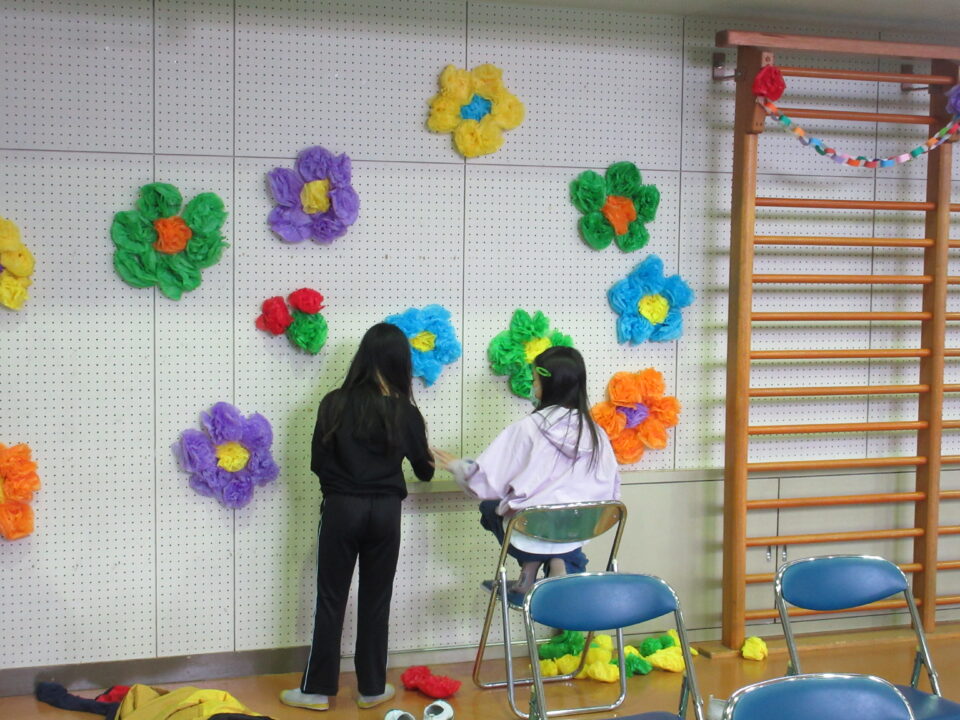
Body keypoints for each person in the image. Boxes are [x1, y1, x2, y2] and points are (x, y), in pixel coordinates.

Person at [281, 324, 434, 712]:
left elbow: (318, 463)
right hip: (386, 512)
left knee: (331, 599)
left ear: (363, 356)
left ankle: (317, 691)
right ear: (400, 362)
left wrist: (342, 486)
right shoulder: (406, 412)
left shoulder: (333, 403)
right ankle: (372, 688)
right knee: (376, 600)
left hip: (342, 507)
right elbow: (425, 471)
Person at [434, 346, 620, 593]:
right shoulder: (596, 434)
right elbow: (611, 491)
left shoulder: (527, 429)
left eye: (534, 380)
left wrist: (458, 467)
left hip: (529, 533)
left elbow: (486, 484)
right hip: (578, 531)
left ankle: (530, 568)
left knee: (491, 508)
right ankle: (561, 565)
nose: (533, 386)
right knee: (562, 525)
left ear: (547, 384)